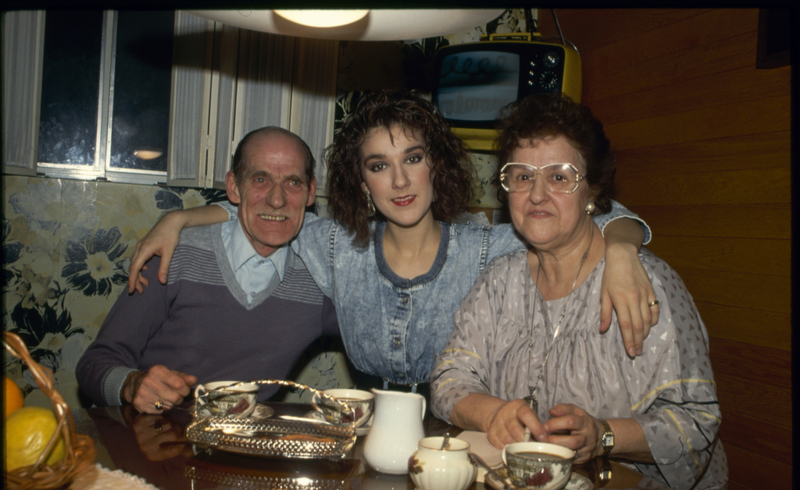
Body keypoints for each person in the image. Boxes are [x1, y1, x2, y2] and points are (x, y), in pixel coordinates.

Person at [127, 90, 658, 401]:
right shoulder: (333, 246)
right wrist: (178, 218)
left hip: (465, 444)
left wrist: (622, 250)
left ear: (435, 166)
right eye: (379, 165)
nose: (400, 182)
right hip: (368, 442)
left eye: (412, 159)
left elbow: (594, 211)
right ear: (362, 182)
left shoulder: (486, 248)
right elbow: (268, 209)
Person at [429, 94, 727, 490]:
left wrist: (604, 435)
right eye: (521, 176)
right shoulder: (499, 280)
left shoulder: (648, 283)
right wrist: (492, 412)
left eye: (559, 177)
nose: (536, 194)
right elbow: (447, 378)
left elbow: (697, 419)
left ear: (593, 189)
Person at [76, 127, 339, 414]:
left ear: (311, 191)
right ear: (234, 187)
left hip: (245, 447)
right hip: (155, 441)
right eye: (260, 179)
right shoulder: (173, 253)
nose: (277, 200)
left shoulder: (319, 277)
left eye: (292, 182)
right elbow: (94, 366)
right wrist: (131, 384)